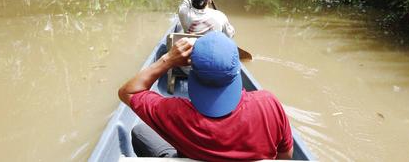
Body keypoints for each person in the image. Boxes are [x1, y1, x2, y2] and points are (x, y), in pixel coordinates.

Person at [118, 31, 294, 160]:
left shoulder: (175, 113)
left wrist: (168, 60)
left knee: (140, 131)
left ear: (192, 72)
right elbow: (285, 156)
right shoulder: (269, 105)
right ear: (237, 71)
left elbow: (128, 91)